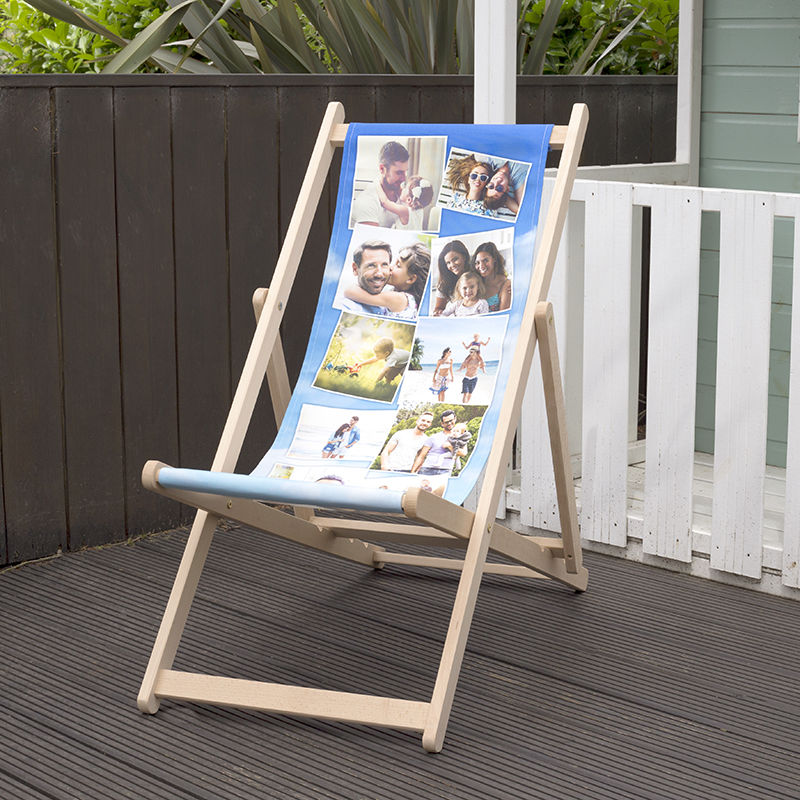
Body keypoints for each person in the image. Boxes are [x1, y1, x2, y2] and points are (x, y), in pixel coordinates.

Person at [343, 242, 430, 319]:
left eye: (398, 265)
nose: (391, 268)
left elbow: (349, 292)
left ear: (411, 279)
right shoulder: (401, 297)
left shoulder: (400, 299)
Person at [350, 141, 409, 228]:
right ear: (382, 169)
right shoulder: (367, 201)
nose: (404, 179)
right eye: (399, 172)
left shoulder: (405, 197)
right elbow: (371, 241)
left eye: (405, 172)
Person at [412, 410, 467, 476]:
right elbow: (421, 456)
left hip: (445, 471)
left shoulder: (461, 437)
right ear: (442, 424)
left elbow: (463, 453)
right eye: (446, 422)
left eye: (451, 420)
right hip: (427, 469)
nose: (449, 423)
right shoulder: (433, 437)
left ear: (455, 419)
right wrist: (412, 472)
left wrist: (449, 446)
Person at [432, 240, 470, 316]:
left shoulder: (476, 276)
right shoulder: (444, 283)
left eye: (455, 259)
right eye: (448, 263)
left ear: (464, 257)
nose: (452, 265)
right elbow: (438, 308)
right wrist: (438, 313)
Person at [471, 242, 511, 312]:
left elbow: (503, 315)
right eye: (477, 263)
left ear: (494, 259)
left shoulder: (505, 284)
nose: (481, 266)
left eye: (485, 260)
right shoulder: (476, 283)